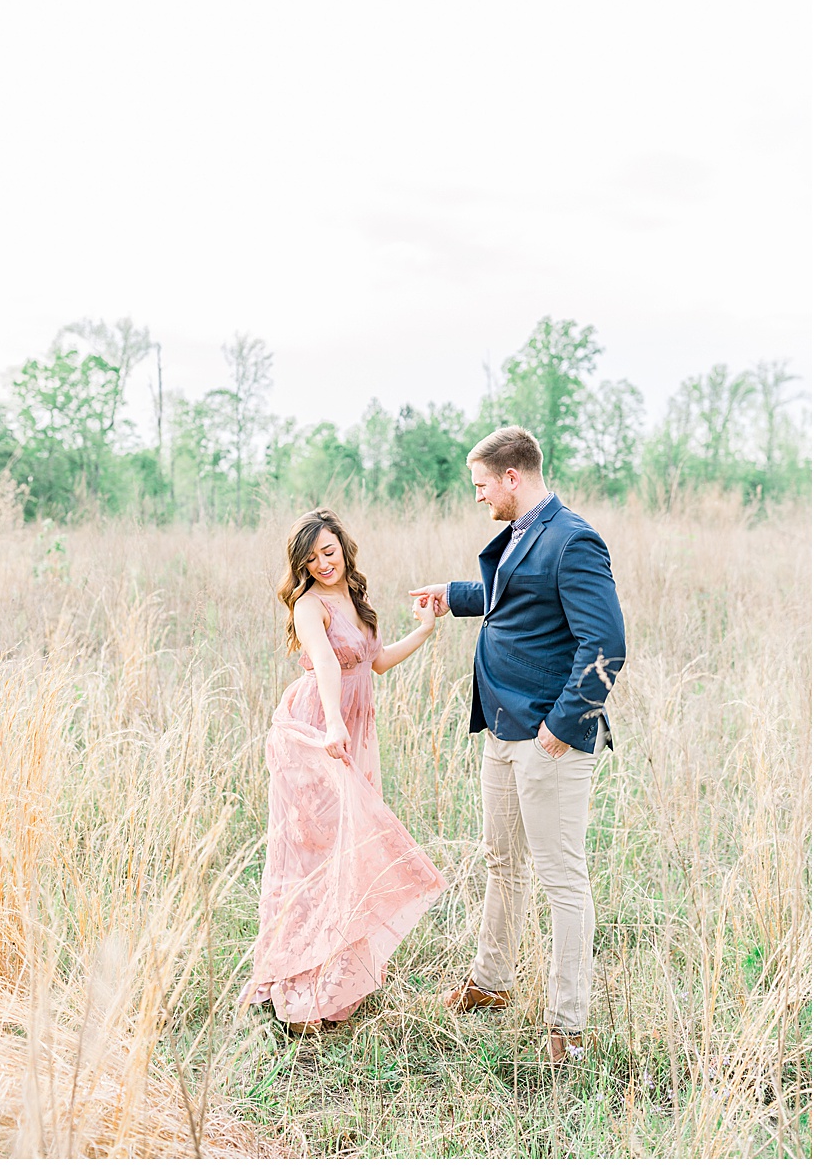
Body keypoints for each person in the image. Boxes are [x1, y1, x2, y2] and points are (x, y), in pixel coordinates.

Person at [413, 426, 625, 1066]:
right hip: (502, 729)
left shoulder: (574, 539)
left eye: (481, 485)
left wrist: (561, 730)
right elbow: (516, 600)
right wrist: (455, 597)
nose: (477, 498)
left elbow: (606, 645)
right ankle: (492, 982)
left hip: (548, 740)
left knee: (562, 878)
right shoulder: (523, 533)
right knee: (499, 862)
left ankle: (568, 1025)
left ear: (513, 477)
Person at [241, 509, 447, 1036]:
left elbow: (374, 662)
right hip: (318, 725)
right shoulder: (309, 606)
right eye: (311, 559)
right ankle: (297, 983)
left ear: (343, 548)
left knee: (348, 849)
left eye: (329, 552)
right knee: (315, 851)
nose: (323, 564)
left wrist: (425, 629)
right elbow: (328, 664)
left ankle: (336, 978)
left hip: (354, 724)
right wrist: (334, 728)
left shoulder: (352, 597)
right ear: (301, 565)